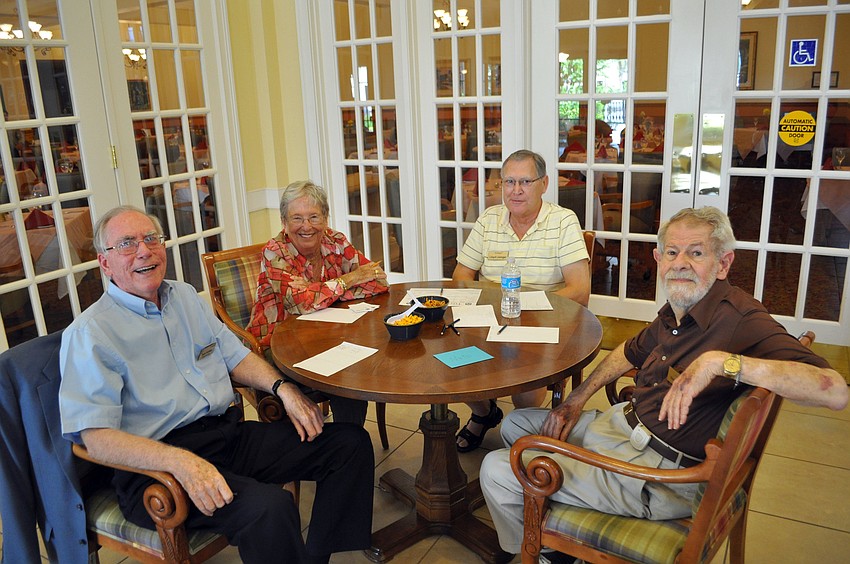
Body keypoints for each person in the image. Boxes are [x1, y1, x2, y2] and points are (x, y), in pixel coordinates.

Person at [478, 206, 848, 556]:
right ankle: (566, 516)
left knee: (497, 469)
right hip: (625, 428)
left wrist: (722, 363)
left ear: (723, 263)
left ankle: (540, 551)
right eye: (671, 253)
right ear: (658, 261)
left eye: (696, 253)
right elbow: (629, 351)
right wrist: (575, 400)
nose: (680, 264)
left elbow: (832, 390)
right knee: (516, 424)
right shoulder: (682, 306)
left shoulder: (740, 319)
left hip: (655, 474)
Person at [58, 206, 374, 564]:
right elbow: (93, 438)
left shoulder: (183, 297)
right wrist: (181, 463)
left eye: (151, 239)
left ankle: (316, 556)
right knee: (269, 508)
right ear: (105, 262)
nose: (144, 250)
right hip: (157, 468)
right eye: (127, 244)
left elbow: (233, 356)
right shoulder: (90, 334)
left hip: (225, 437)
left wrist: (284, 390)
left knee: (349, 443)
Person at [452, 149, 591, 452]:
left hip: (545, 323)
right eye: (509, 182)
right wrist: (485, 311)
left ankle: (519, 432)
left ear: (544, 183)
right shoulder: (489, 219)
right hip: (488, 322)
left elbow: (580, 290)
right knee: (454, 365)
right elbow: (461, 276)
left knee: (525, 389)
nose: (516, 191)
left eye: (525, 182)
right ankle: (484, 414)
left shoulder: (563, 221)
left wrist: (520, 307)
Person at [247, 180, 388, 425]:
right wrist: (349, 280)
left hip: (329, 333)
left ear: (325, 218)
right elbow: (300, 305)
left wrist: (317, 293)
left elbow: (379, 281)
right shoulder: (275, 251)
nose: (307, 226)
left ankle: (348, 442)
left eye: (314, 217)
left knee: (353, 375)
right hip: (278, 340)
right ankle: (307, 450)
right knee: (336, 372)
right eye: (297, 218)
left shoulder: (335, 240)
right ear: (284, 222)